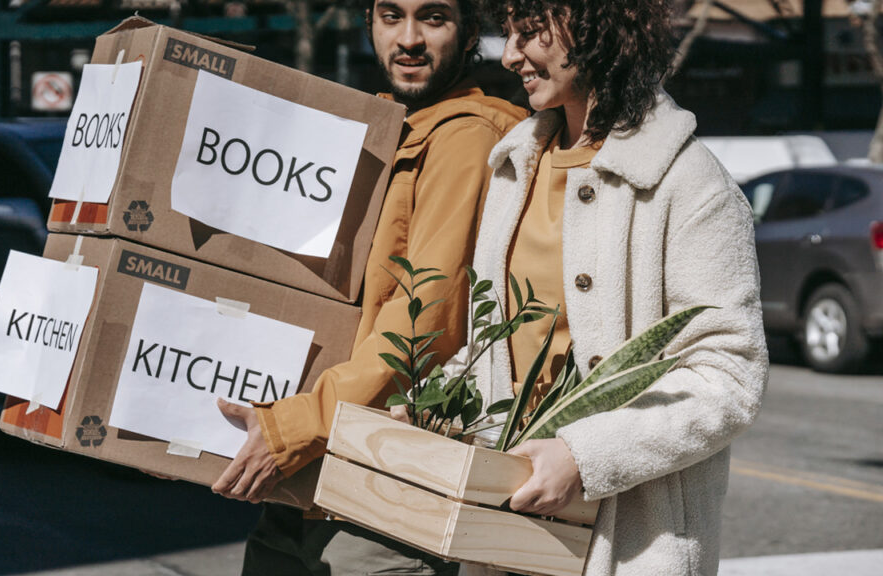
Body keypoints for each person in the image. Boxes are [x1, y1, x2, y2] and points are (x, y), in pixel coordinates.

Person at [436, 0, 769, 574]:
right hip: (504, 528)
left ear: (592, 26)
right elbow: (495, 348)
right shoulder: (516, 166)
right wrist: (429, 411)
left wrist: (584, 456)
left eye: (531, 32)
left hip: (633, 541)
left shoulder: (690, 184)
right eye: (508, 33)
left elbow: (728, 375)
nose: (511, 54)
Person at [211, 0, 527, 574]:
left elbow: (425, 319)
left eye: (433, 18)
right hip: (310, 473)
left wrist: (297, 425)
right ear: (369, 25)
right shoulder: (384, 128)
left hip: (377, 483)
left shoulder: (466, 138)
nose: (408, 39)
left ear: (469, 30)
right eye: (390, 16)